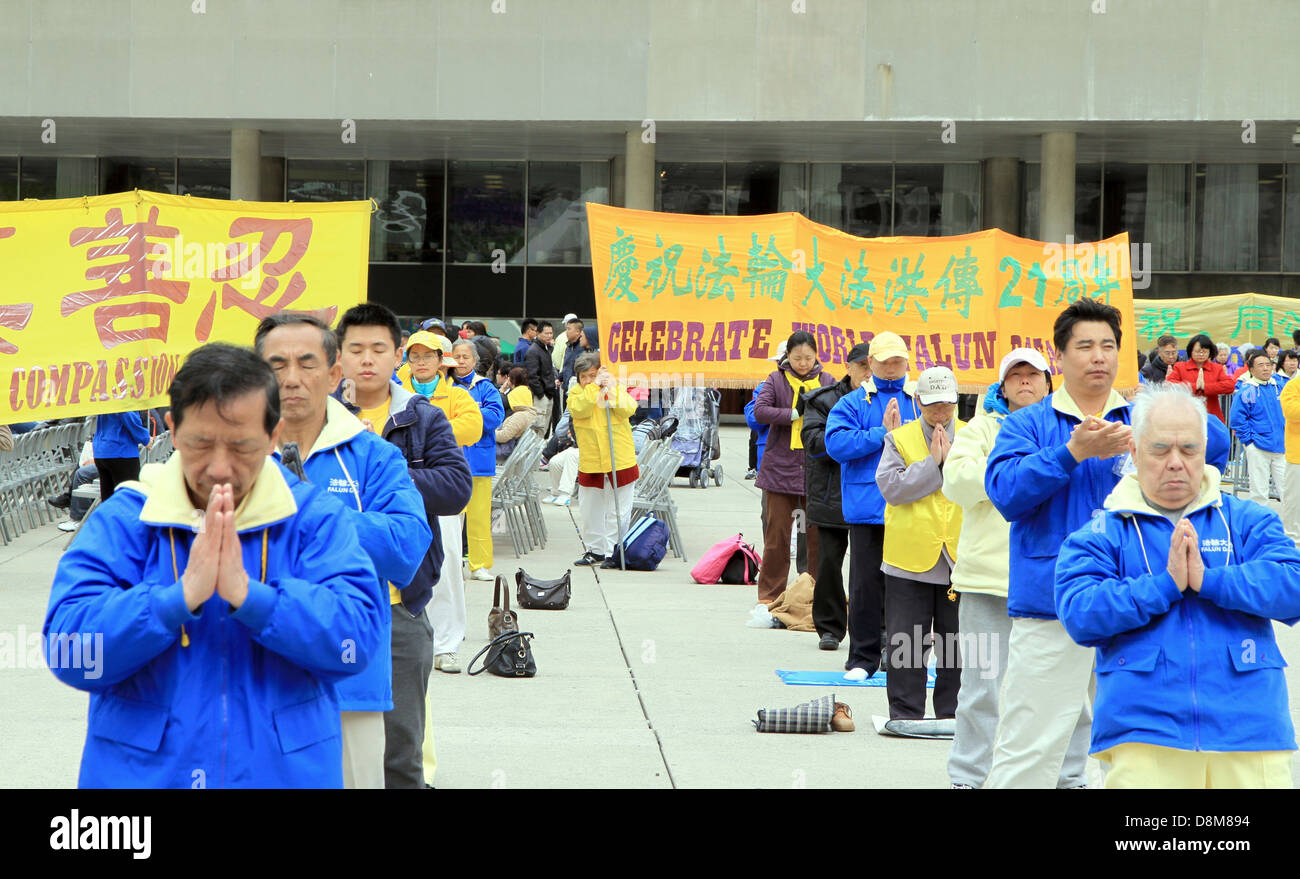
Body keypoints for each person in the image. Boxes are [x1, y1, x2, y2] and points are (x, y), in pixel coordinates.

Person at [45, 344, 386, 788]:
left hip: (283, 773)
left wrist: (253, 598)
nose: (220, 467)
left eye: (242, 446)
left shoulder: (313, 518)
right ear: (172, 428)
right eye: (200, 444)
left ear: (274, 435)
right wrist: (175, 601)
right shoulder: (128, 518)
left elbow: (357, 641)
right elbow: (70, 651)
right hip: (143, 775)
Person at [1056, 383, 1300, 788]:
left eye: (1188, 450)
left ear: (1205, 451)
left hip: (1250, 728)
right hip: (1144, 735)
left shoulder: (1246, 519)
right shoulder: (1101, 532)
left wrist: (1210, 581)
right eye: (1160, 450)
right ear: (1133, 451)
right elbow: (1081, 613)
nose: (1175, 463)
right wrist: (1164, 586)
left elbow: (1293, 584)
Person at [255, 314, 431, 789]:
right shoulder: (231, 453)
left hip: (347, 686)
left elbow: (405, 548)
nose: (292, 378)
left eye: (307, 364)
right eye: (277, 364)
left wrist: (309, 510)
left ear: (335, 374)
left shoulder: (373, 455)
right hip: (250, 681)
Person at [983, 297, 1132, 789]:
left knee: (1137, 744)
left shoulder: (1141, 417)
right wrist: (1072, 452)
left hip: (1135, 602)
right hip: (1052, 605)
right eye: (1085, 346)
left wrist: (1159, 425)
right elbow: (1006, 493)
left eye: (1108, 346)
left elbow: (1212, 445)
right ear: (1060, 357)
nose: (1098, 357)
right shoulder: (1029, 423)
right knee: (1031, 742)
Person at [332, 303, 472, 789]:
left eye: (378, 349)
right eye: (355, 349)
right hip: (326, 605)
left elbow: (456, 488)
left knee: (400, 755)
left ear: (397, 358)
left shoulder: (422, 418)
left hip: (398, 606)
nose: (366, 360)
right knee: (323, 749)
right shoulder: (310, 421)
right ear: (338, 358)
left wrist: (386, 465)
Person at [944, 349, 1087, 788]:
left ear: (1049, 381)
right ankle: (970, 777)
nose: (1025, 382)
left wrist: (1017, 474)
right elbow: (956, 482)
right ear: (1002, 385)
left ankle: (1071, 777)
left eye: (1033, 375)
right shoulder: (980, 427)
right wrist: (1018, 474)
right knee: (983, 688)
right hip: (989, 581)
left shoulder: (1070, 427)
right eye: (1015, 376)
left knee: (1075, 694)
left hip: (1057, 580)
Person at [826, 331, 920, 679]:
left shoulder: (919, 399)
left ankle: (902, 659)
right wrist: (882, 434)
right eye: (885, 362)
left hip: (912, 507)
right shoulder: (854, 402)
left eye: (898, 361)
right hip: (868, 510)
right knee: (865, 588)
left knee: (908, 590)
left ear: (907, 362)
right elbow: (835, 445)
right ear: (872, 364)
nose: (892, 368)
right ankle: (862, 659)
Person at [875, 366, 965, 720]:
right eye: (932, 404)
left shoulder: (975, 435)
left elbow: (984, 484)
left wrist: (952, 464)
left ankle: (953, 714)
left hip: (960, 558)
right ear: (918, 402)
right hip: (908, 556)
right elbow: (892, 488)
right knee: (906, 644)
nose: (940, 411)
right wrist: (934, 465)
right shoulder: (899, 438)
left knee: (957, 645)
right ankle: (905, 713)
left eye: (946, 403)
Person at [399, 330, 483, 674]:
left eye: (427, 356)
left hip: (442, 495)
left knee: (447, 569)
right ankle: (410, 640)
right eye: (414, 356)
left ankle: (447, 645)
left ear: (440, 361)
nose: (420, 362)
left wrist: (427, 426)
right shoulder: (395, 393)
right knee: (404, 567)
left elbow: (473, 428)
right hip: (399, 496)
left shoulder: (458, 396)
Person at [753, 331, 835, 605]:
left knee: (814, 539)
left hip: (816, 470)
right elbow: (759, 411)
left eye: (808, 358)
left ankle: (811, 594)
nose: (803, 363)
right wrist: (792, 413)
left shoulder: (826, 381)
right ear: (787, 356)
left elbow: (839, 412)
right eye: (797, 358)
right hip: (779, 470)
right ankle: (769, 596)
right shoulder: (775, 379)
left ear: (816, 357)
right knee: (777, 537)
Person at [802, 342, 869, 651]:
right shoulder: (823, 400)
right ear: (849, 367)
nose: (868, 373)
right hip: (832, 496)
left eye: (874, 366)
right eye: (863, 366)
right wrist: (861, 442)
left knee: (870, 568)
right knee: (829, 564)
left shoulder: (893, 402)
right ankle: (829, 628)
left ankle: (873, 629)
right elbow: (814, 443)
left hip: (874, 498)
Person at [566, 352, 638, 569]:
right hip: (591, 460)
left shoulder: (615, 388)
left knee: (619, 510)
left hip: (619, 458)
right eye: (583, 377)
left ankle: (613, 550)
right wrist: (594, 387)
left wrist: (611, 389)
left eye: (592, 375)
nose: (588, 380)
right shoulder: (576, 393)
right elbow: (579, 408)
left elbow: (628, 408)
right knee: (589, 508)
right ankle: (594, 549)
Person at [450, 339, 504, 581]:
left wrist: (467, 411)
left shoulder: (486, 387)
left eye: (465, 357)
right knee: (449, 517)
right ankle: (449, 564)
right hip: (449, 461)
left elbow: (495, 417)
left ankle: (479, 564)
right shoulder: (444, 386)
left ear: (474, 360)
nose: (461, 361)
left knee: (480, 516)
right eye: (457, 356)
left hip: (480, 461)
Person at [1234, 348, 1286, 512]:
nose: (1265, 368)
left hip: (1282, 447)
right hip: (1258, 446)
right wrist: (1249, 442)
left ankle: (1294, 528)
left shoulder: (1278, 385)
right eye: (1260, 365)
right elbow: (1237, 419)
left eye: (1268, 364)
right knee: (1259, 492)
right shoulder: (1247, 390)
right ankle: (1260, 527)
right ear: (1251, 369)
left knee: (1289, 490)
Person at [1167, 333, 1235, 424]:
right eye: (1198, 351)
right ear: (1191, 351)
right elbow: (1170, 384)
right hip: (1186, 415)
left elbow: (1230, 385)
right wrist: (1195, 386)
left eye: (1204, 351)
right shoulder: (1180, 367)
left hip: (1211, 415)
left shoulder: (1216, 368)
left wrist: (1205, 387)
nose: (1201, 354)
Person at [92, 408, 151, 500]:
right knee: (129, 499)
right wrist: (145, 438)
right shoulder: (124, 394)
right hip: (121, 450)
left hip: (102, 450)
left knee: (108, 500)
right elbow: (126, 411)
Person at [495, 367, 536, 464]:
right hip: (511, 445)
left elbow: (504, 436)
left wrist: (486, 433)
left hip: (504, 449)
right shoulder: (527, 395)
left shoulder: (519, 415)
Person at [525, 321, 559, 438]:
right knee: (538, 428)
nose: (549, 336)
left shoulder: (547, 348)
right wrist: (540, 393)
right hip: (540, 395)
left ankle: (540, 453)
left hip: (549, 393)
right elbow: (532, 376)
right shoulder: (533, 350)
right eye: (546, 333)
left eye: (551, 333)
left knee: (544, 429)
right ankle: (534, 455)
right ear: (538, 333)